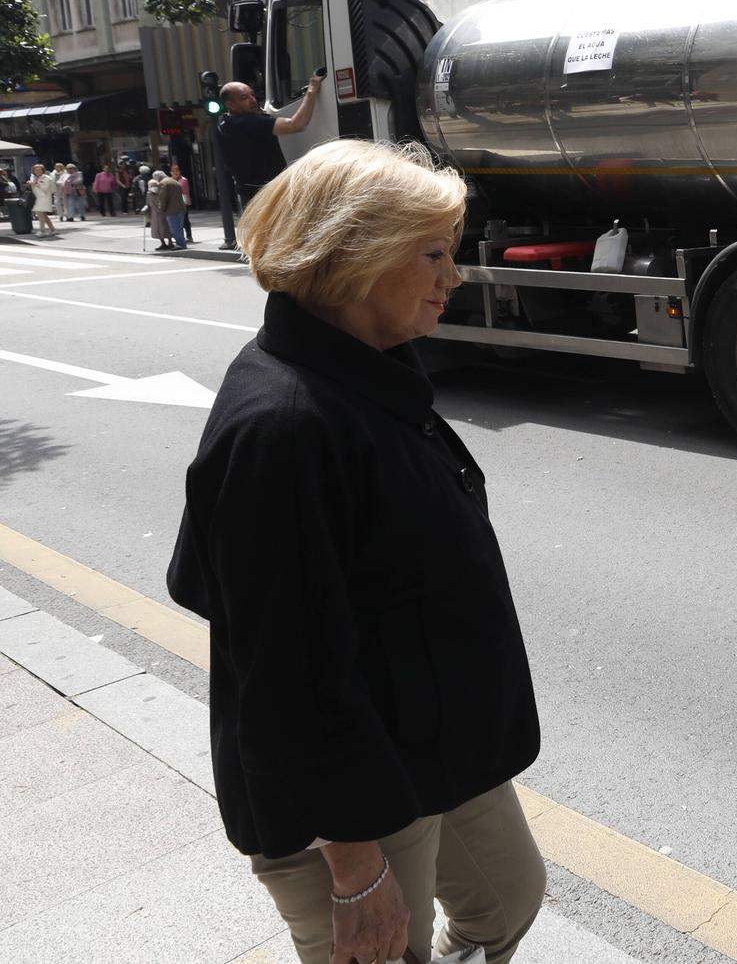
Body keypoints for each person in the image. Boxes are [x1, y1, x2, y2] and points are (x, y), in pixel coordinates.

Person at [166, 139, 543, 964]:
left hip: (428, 737)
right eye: (435, 253)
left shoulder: (365, 371)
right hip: (350, 794)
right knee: (379, 952)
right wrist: (355, 866)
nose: (456, 276)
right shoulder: (283, 427)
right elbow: (289, 681)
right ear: (355, 257)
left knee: (507, 896)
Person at [218, 71, 323, 203]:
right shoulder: (248, 122)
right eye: (244, 98)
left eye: (252, 94)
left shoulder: (225, 121)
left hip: (250, 194)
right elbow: (296, 125)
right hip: (268, 195)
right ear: (230, 105)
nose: (252, 100)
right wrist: (312, 90)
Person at [149, 163, 187, 250]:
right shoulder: (173, 181)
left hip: (172, 209)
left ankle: (180, 244)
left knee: (175, 228)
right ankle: (181, 243)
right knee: (179, 227)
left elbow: (162, 198)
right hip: (180, 208)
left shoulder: (163, 183)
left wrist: (161, 209)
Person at [168, 161, 196, 244]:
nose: (175, 173)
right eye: (173, 171)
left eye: (176, 171)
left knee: (185, 220)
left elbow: (179, 188)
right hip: (175, 203)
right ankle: (180, 236)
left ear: (180, 172)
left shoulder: (183, 180)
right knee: (177, 221)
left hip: (184, 202)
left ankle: (189, 236)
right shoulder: (172, 180)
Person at [28, 163, 58, 236]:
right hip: (37, 198)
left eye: (39, 170)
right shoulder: (34, 178)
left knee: (40, 214)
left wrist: (35, 184)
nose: (38, 171)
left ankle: (42, 231)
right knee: (43, 215)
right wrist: (31, 183)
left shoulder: (47, 178)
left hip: (44, 198)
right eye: (36, 170)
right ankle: (52, 229)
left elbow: (45, 188)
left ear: (42, 170)